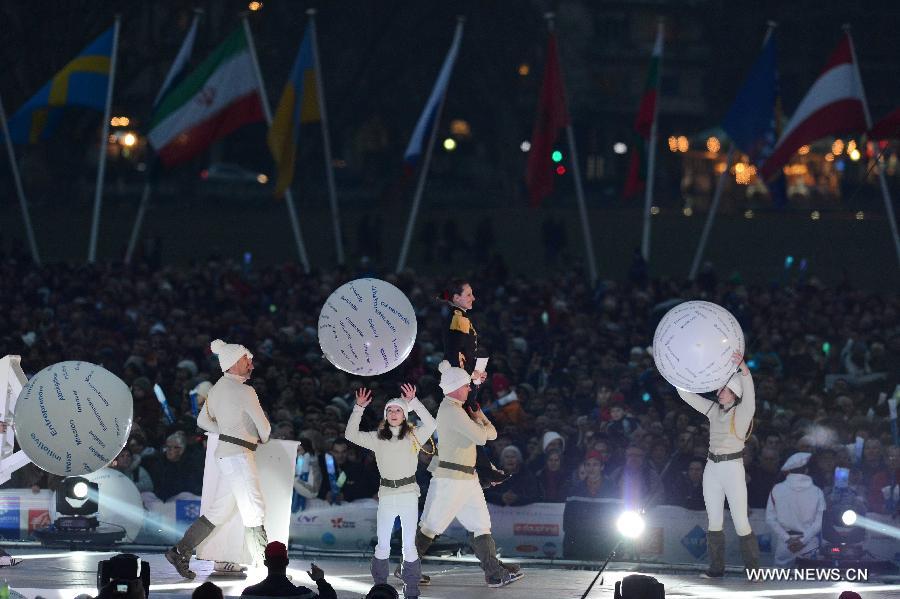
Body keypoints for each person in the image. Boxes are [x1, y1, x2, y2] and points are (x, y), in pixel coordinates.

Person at [166, 339, 271, 579]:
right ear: (234, 363)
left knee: (218, 512)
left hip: (226, 455)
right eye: (248, 360)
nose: (252, 365)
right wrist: (250, 433)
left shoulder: (216, 389)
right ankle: (269, 571)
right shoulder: (246, 391)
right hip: (240, 455)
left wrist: (225, 431)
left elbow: (202, 421)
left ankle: (179, 551)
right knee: (254, 510)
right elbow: (265, 430)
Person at [416, 361, 524, 588]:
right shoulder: (451, 411)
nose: (468, 389)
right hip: (451, 479)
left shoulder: (455, 409)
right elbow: (486, 436)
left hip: (466, 478)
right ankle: (406, 569)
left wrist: (480, 419)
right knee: (430, 526)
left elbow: (488, 435)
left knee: (480, 525)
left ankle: (493, 571)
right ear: (456, 386)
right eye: (466, 386)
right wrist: (482, 419)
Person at [346, 383, 436, 599]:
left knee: (409, 546)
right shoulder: (377, 437)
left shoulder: (414, 435)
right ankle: (380, 588)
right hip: (386, 494)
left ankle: (412, 590)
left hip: (407, 494)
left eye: (398, 410)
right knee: (382, 544)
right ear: (385, 415)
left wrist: (413, 401)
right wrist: (358, 408)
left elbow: (432, 423)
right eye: (390, 410)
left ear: (405, 414)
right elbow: (350, 435)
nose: (394, 413)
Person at [676, 359, 759, 579]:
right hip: (712, 467)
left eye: (724, 388)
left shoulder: (742, 413)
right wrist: (674, 376)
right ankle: (716, 568)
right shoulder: (713, 410)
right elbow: (687, 396)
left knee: (741, 521)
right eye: (720, 388)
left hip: (733, 468)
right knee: (713, 520)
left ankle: (754, 571)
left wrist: (743, 369)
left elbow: (749, 395)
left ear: (734, 393)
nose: (719, 391)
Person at [439, 279, 507, 487]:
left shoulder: (460, 317)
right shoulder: (458, 318)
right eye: (468, 294)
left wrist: (474, 373)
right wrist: (468, 378)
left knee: (469, 424)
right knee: (469, 423)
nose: (473, 298)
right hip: (461, 381)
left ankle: (485, 470)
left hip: (464, 377)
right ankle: (486, 471)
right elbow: (456, 352)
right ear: (456, 298)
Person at [765, 452, 826, 567]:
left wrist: (787, 539)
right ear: (806, 470)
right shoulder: (817, 492)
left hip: (785, 545)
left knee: (780, 581)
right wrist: (803, 541)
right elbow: (820, 522)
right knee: (810, 581)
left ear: (788, 471)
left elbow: (770, 519)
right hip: (810, 544)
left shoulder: (776, 489)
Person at [241, 541, 336, 599]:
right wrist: (320, 580)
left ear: (265, 563)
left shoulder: (248, 594)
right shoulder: (304, 595)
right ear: (287, 562)